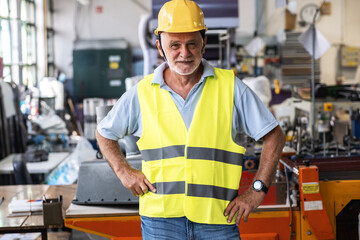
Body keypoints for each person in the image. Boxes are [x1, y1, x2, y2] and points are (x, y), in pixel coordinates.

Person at [96, 0, 285, 239]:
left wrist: (257, 190)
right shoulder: (141, 92)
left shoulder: (230, 88)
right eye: (174, 45)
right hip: (161, 222)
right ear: (159, 47)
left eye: (192, 44)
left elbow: (274, 136)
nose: (184, 53)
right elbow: (104, 133)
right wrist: (124, 171)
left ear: (204, 44)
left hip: (217, 219)